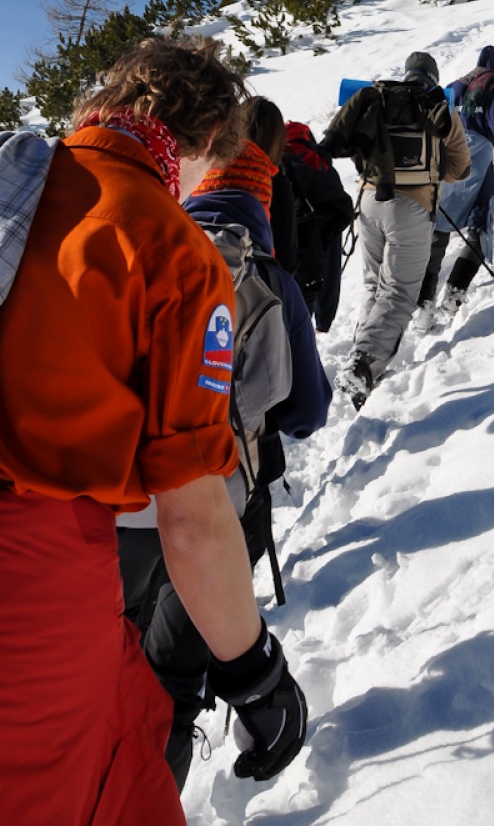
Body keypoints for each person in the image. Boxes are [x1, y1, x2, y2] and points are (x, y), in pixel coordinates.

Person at [0, 38, 307, 826]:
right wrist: (255, 671)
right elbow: (195, 516)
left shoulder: (17, 179)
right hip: (34, 581)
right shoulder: (172, 248)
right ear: (204, 142)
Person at [119, 94, 331, 789]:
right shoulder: (269, 278)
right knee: (171, 684)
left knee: (98, 671)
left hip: (113, 504)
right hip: (213, 510)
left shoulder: (144, 247)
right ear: (265, 194)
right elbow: (308, 411)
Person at [321, 51, 471, 408]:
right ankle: (363, 366)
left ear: (406, 75)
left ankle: (363, 357)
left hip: (370, 202)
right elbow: (459, 169)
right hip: (412, 208)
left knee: (375, 285)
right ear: (432, 78)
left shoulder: (377, 98)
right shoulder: (440, 106)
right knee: (400, 292)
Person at [415, 45, 494, 321]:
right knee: (480, 226)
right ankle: (454, 296)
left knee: (440, 227)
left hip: (444, 156)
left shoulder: (457, 84)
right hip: (476, 156)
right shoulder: (493, 84)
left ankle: (423, 305)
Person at [278, 119, 354, 331]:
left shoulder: (275, 167)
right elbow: (332, 267)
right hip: (316, 255)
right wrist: (325, 318)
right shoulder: (324, 168)